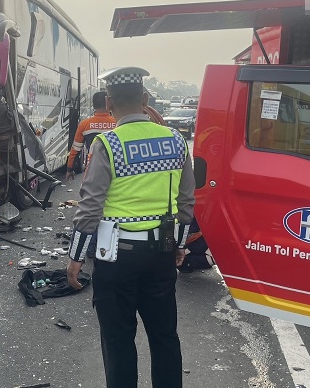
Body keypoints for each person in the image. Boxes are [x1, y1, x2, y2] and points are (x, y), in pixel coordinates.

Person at [66, 67, 196, 388]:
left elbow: (90, 206)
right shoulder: (175, 141)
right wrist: (179, 244)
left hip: (116, 259)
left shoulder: (107, 145)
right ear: (146, 99)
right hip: (161, 252)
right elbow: (185, 201)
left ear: (109, 102)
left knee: (119, 341)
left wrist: (76, 257)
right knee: (165, 337)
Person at [66, 91, 116, 181]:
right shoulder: (117, 122)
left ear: (93, 105)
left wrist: (70, 169)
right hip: (115, 168)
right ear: (109, 103)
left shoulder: (84, 124)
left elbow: (76, 149)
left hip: (93, 169)